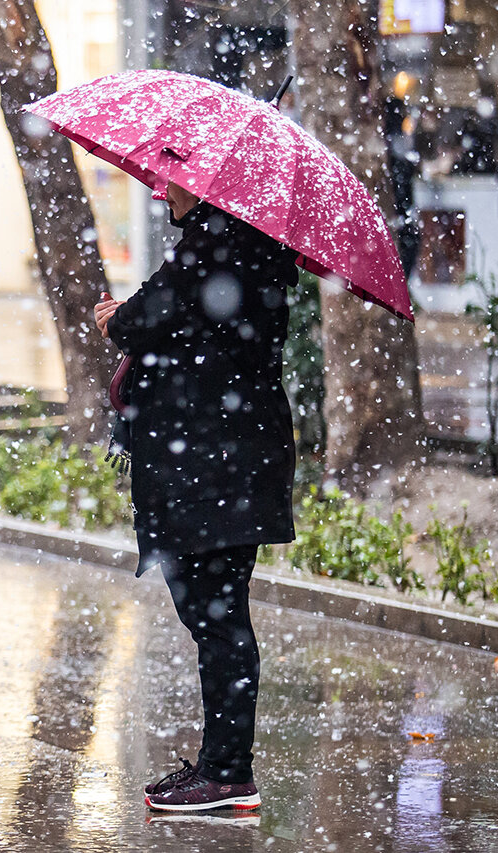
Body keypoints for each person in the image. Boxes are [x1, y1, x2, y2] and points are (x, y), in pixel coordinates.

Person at [94, 181, 297, 812]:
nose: (161, 188)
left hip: (209, 469)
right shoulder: (249, 250)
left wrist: (115, 318)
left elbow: (137, 322)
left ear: (207, 187)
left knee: (217, 618)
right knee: (220, 614)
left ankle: (228, 772)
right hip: (238, 459)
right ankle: (223, 766)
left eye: (172, 179)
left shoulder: (210, 248)